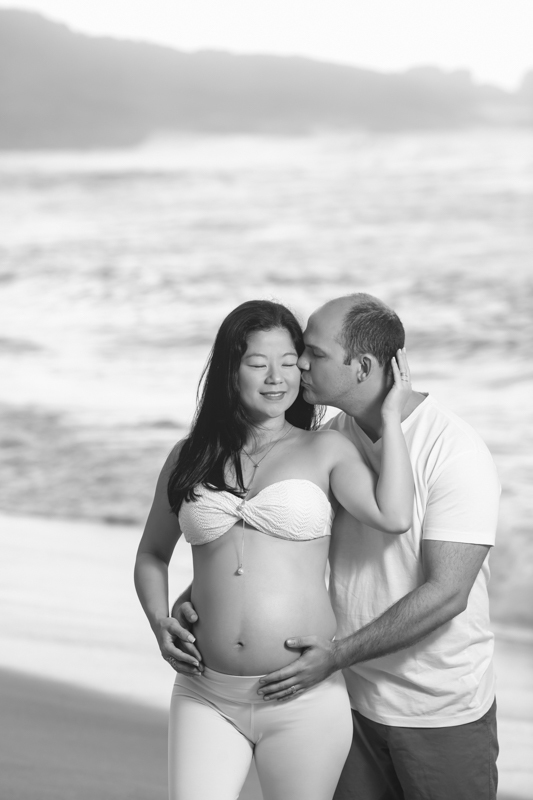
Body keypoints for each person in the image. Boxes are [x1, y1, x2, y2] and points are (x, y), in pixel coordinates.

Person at [173, 294, 500, 800]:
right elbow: (282, 537)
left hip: (434, 707)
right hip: (342, 697)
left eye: (313, 353)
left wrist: (337, 654)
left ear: (363, 366)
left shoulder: (452, 450)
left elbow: (447, 594)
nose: (299, 363)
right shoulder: (329, 438)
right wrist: (204, 593)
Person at [134, 299, 414, 800]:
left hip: (302, 698)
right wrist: (160, 622)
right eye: (258, 363)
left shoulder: (325, 450)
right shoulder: (188, 456)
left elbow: (393, 515)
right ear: (230, 368)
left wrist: (391, 418)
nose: (276, 378)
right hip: (205, 691)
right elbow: (152, 555)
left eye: (289, 363)